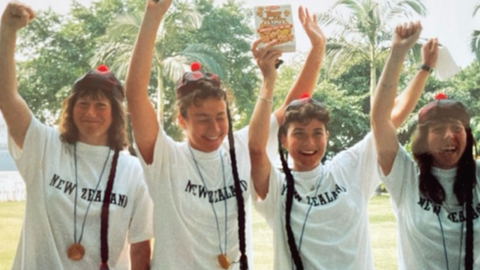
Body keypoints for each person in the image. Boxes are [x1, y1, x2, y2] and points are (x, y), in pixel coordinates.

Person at [124, 0, 326, 269]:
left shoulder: (243, 146)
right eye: (203, 119)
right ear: (181, 120)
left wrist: (317, 49)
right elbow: (135, 94)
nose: (215, 128)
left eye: (221, 117)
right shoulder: (164, 158)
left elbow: (290, 107)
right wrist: (152, 15)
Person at [248, 22, 440, 269]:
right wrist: (268, 81)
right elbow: (255, 149)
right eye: (299, 133)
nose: (309, 142)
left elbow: (389, 121)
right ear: (283, 140)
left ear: (327, 135)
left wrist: (414, 62)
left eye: (317, 132)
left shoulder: (348, 169)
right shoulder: (277, 183)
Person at [0, 2, 153, 269]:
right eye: (82, 103)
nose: (90, 112)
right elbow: (6, 96)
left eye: (100, 105)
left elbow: (140, 248)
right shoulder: (45, 146)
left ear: (115, 113)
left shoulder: (133, 170)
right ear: (71, 109)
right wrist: (7, 31)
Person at [372, 21, 479, 270]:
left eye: (456, 127)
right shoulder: (405, 177)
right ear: (423, 139)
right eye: (438, 130)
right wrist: (398, 53)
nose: (449, 136)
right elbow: (379, 119)